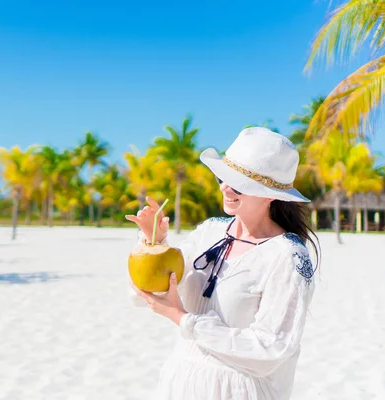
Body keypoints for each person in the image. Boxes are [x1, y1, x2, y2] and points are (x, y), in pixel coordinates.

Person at [125, 127, 320, 400]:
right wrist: (153, 242)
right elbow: (147, 292)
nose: (224, 188)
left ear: (269, 194)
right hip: (181, 382)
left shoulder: (287, 256)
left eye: (238, 183)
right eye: (222, 177)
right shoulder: (210, 232)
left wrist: (184, 320)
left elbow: (272, 349)